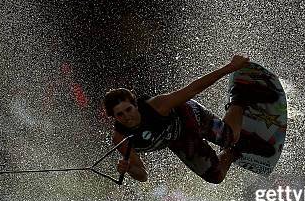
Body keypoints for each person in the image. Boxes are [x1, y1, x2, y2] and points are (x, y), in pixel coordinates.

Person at [103, 55, 277, 184]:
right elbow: (143, 175)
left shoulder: (158, 105)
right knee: (215, 177)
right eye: (120, 114)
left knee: (228, 137)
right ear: (114, 117)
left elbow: (193, 89)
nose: (127, 117)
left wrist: (230, 67)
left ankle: (240, 96)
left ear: (135, 105)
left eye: (128, 109)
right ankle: (235, 151)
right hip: (177, 140)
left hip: (187, 115)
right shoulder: (120, 138)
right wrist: (130, 169)